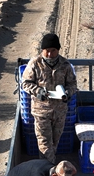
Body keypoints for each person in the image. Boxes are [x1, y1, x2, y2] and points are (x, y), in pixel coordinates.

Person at [21, 33, 77, 164]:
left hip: (60, 111)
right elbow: (25, 83)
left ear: (58, 50)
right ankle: (49, 171)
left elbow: (73, 84)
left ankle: (49, 168)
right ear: (42, 50)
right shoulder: (35, 64)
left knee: (54, 141)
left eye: (53, 51)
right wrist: (38, 91)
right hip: (41, 111)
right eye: (47, 51)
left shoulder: (66, 65)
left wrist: (67, 93)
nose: (50, 55)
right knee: (45, 143)